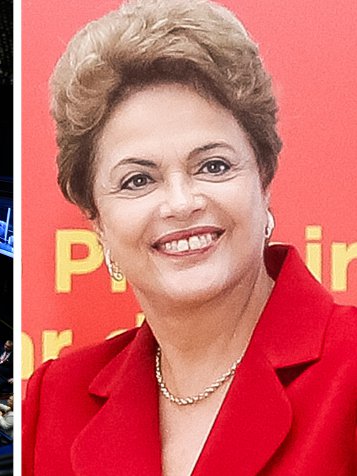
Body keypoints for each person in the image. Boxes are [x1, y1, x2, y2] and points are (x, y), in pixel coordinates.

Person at [25, 1, 357, 474]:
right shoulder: (55, 400)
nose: (181, 203)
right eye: (138, 180)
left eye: (213, 166)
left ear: (262, 181)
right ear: (97, 220)